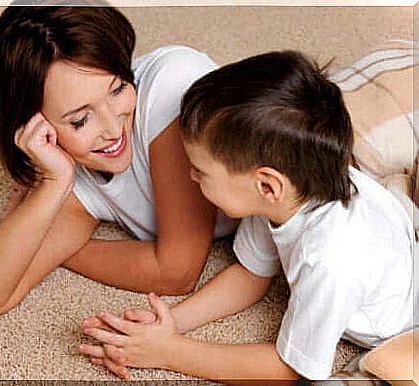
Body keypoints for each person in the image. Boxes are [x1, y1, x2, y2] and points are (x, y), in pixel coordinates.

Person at [79, 50, 416, 381]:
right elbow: (250, 275)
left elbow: (289, 370)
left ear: (268, 185)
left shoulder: (329, 261)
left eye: (199, 170)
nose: (190, 178)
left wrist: (169, 354)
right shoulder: (288, 189)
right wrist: (171, 322)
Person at [0, 6, 237, 324]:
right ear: (34, 124)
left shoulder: (171, 96)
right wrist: (51, 186)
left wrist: (61, 249)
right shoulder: (70, 169)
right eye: (80, 120)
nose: (114, 130)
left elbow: (176, 272)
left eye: (117, 88)